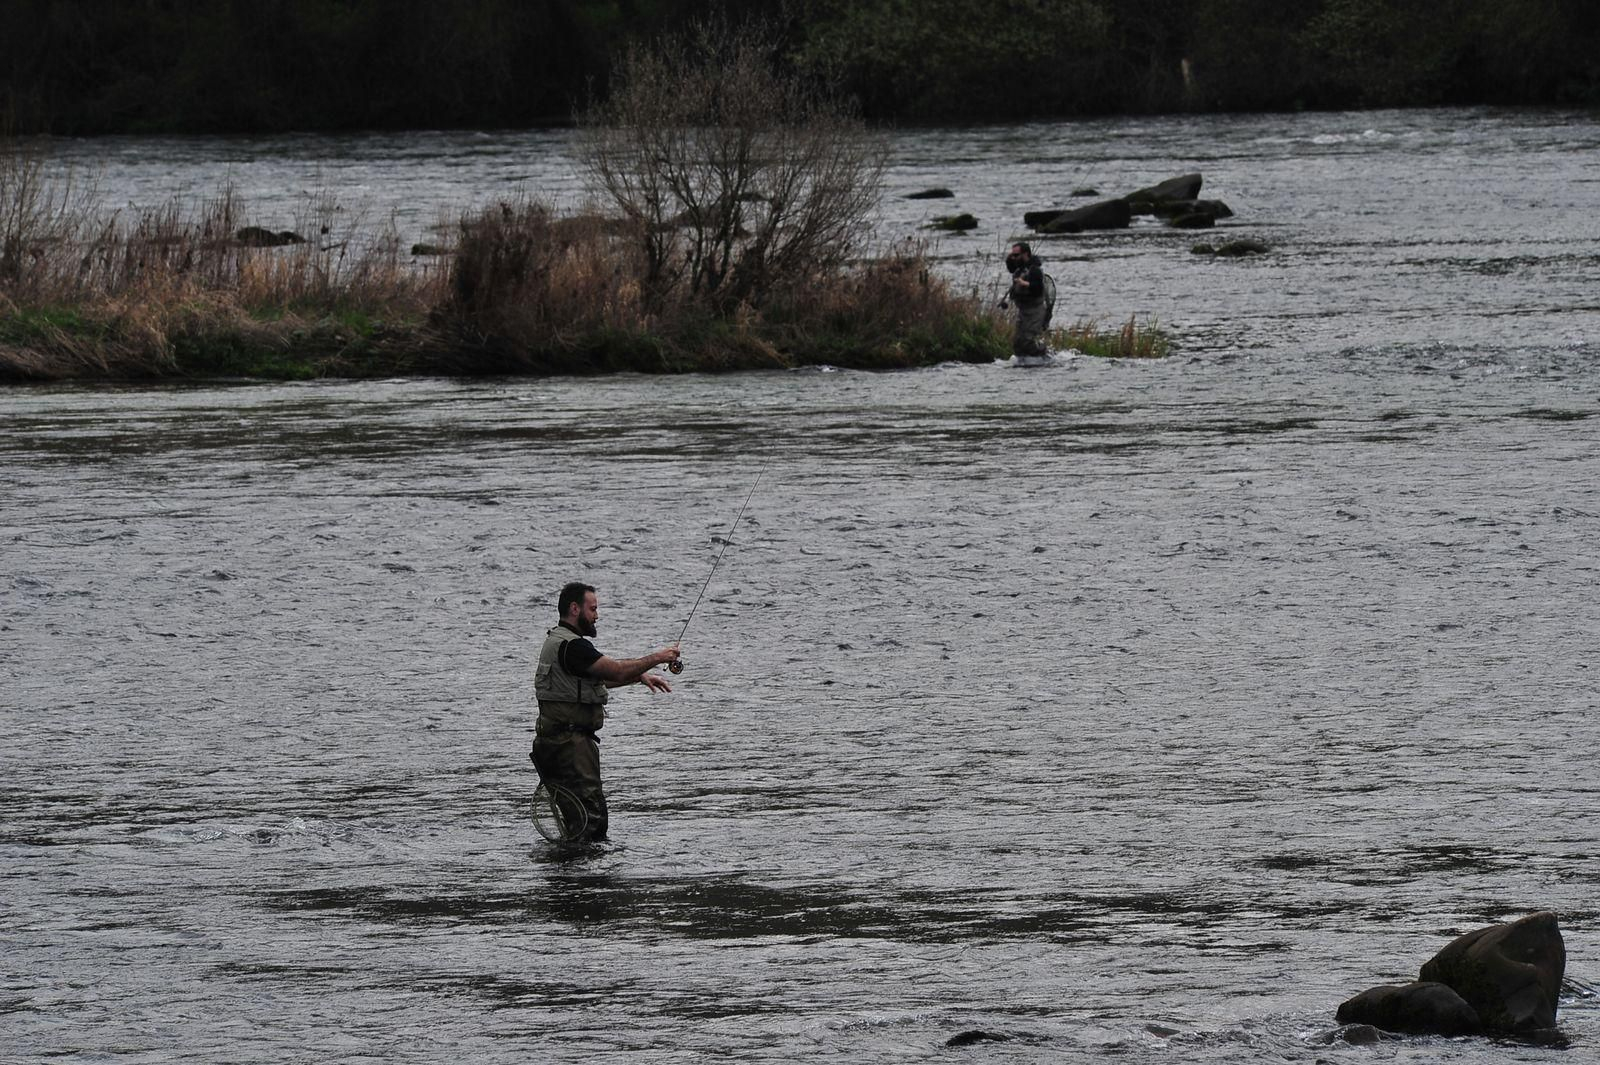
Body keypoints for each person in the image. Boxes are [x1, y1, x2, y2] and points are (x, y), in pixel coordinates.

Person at [531, 581, 679, 842]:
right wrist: (659, 657)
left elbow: (585, 683)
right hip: (571, 749)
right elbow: (615, 670)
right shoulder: (574, 646)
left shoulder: (556, 642)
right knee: (592, 821)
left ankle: (568, 875)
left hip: (552, 745)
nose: (597, 616)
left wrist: (639, 677)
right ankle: (588, 879)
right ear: (575, 609)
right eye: (593, 609)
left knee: (575, 819)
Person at [1002, 241, 1051, 360]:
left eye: (1016, 255)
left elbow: (1038, 288)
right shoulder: (1019, 268)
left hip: (1035, 312)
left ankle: (1046, 357)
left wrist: (1025, 283)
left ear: (1025, 254)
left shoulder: (1035, 270)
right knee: (1017, 343)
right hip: (1023, 311)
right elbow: (1010, 267)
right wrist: (1009, 258)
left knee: (1027, 341)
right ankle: (1025, 362)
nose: (1013, 258)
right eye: (1012, 255)